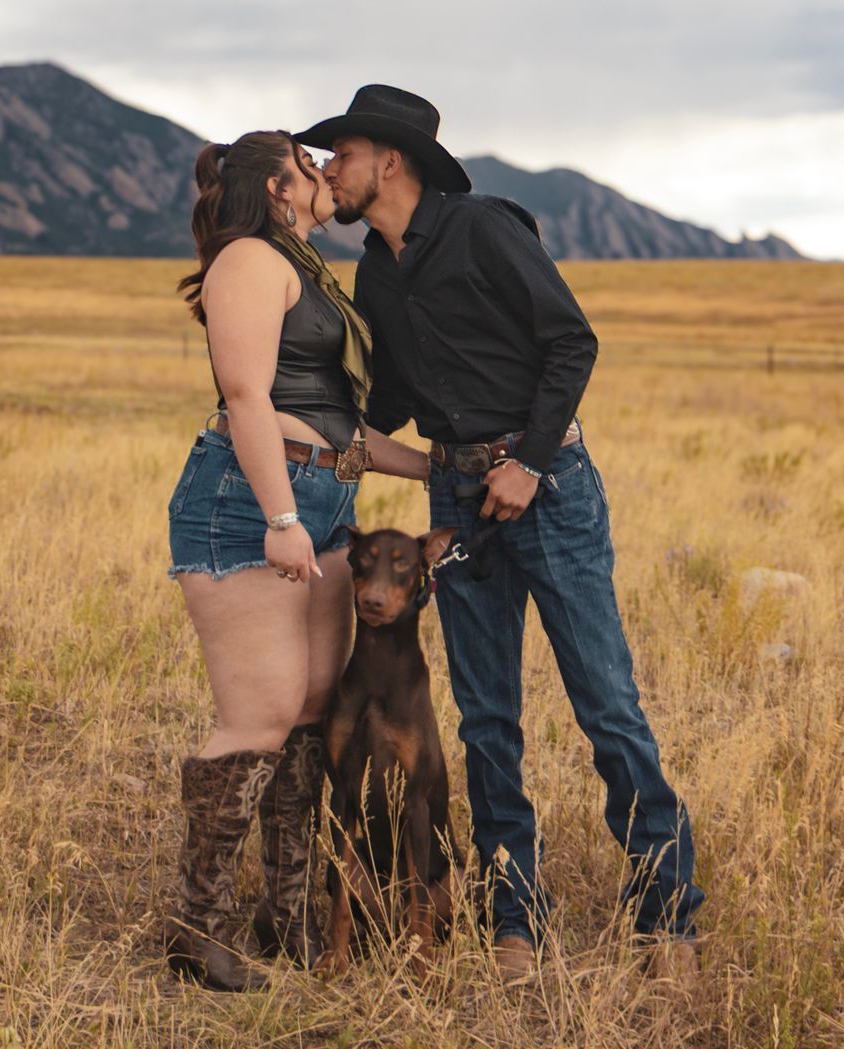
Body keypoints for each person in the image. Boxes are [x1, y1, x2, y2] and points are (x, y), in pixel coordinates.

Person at [297, 86, 706, 985]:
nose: (330, 169)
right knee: (487, 722)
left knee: (606, 704)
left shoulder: (483, 228)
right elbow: (393, 400)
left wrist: (523, 459)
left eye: (343, 154)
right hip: (455, 494)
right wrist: (302, 367)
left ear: (390, 160)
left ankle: (666, 914)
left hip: (546, 483)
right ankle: (514, 912)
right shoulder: (374, 271)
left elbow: (572, 342)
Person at [162, 129, 428, 992]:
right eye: (309, 166)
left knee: (313, 707)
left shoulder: (305, 267)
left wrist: (434, 466)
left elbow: (337, 423)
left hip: (323, 497)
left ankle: (288, 915)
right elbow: (246, 394)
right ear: (278, 186)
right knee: (260, 711)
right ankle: (193, 927)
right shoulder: (247, 257)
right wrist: (279, 511)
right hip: (249, 499)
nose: (325, 175)